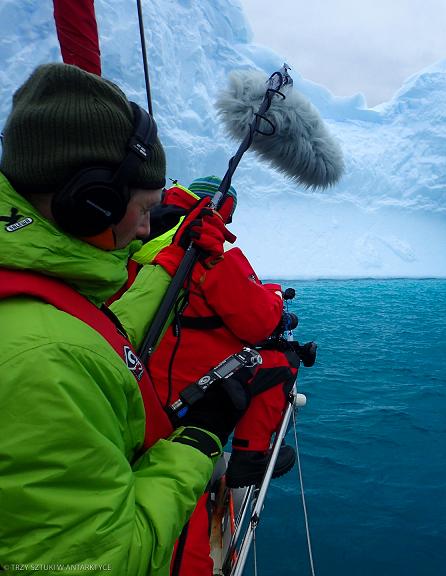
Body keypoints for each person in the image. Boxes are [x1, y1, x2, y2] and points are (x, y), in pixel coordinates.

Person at [0, 63, 253, 574]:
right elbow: (103, 562)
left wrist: (171, 261)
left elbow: (98, 330)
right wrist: (197, 443)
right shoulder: (45, 363)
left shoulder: (35, 291)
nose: (144, 229)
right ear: (91, 204)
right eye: (142, 210)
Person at [138, 177, 304, 575]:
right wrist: (275, 297)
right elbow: (258, 321)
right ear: (224, 208)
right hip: (182, 396)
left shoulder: (141, 236)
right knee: (280, 362)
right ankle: (249, 458)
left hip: (139, 375)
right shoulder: (206, 245)